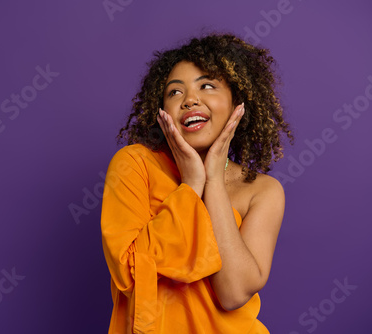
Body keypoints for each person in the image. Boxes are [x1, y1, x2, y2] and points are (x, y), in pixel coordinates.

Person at [100, 32, 295, 333]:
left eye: (207, 86)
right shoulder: (134, 165)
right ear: (162, 110)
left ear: (236, 103)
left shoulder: (263, 191)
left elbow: (232, 294)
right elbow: (130, 273)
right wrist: (190, 186)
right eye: (175, 92)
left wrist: (213, 180)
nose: (190, 99)